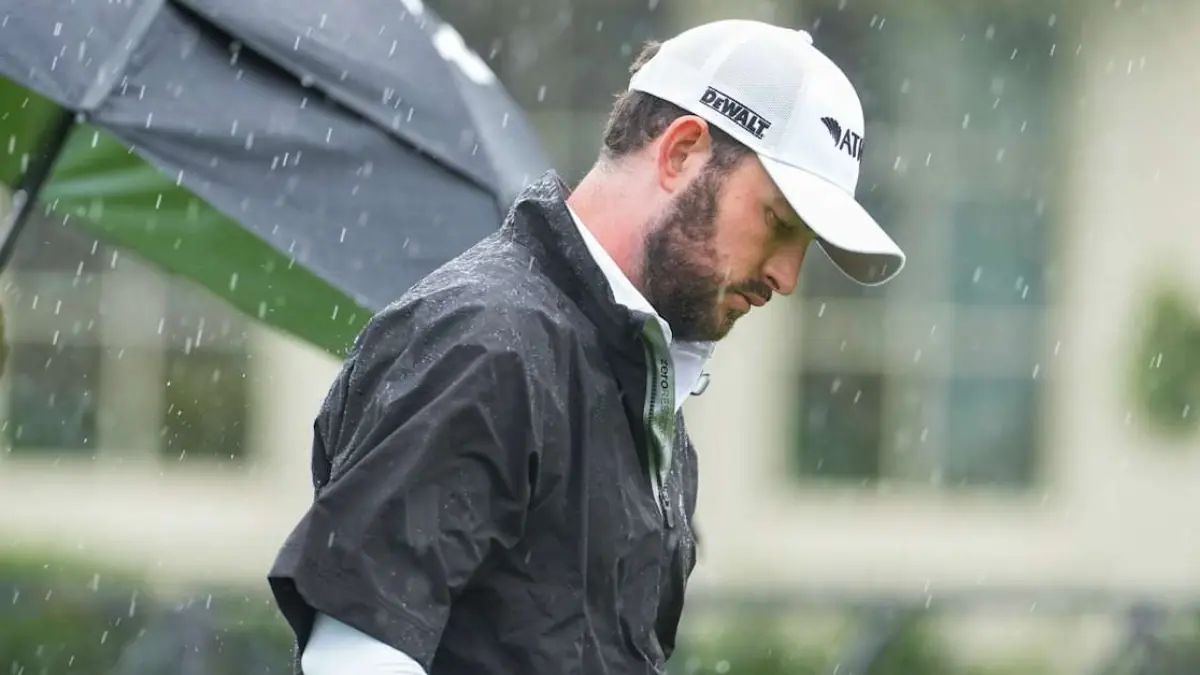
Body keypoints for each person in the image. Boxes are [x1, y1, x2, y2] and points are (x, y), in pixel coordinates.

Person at [268, 18, 905, 675]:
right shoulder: (487, 345)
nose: (788, 276)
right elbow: (355, 655)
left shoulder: (636, 389)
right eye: (777, 222)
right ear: (682, 151)